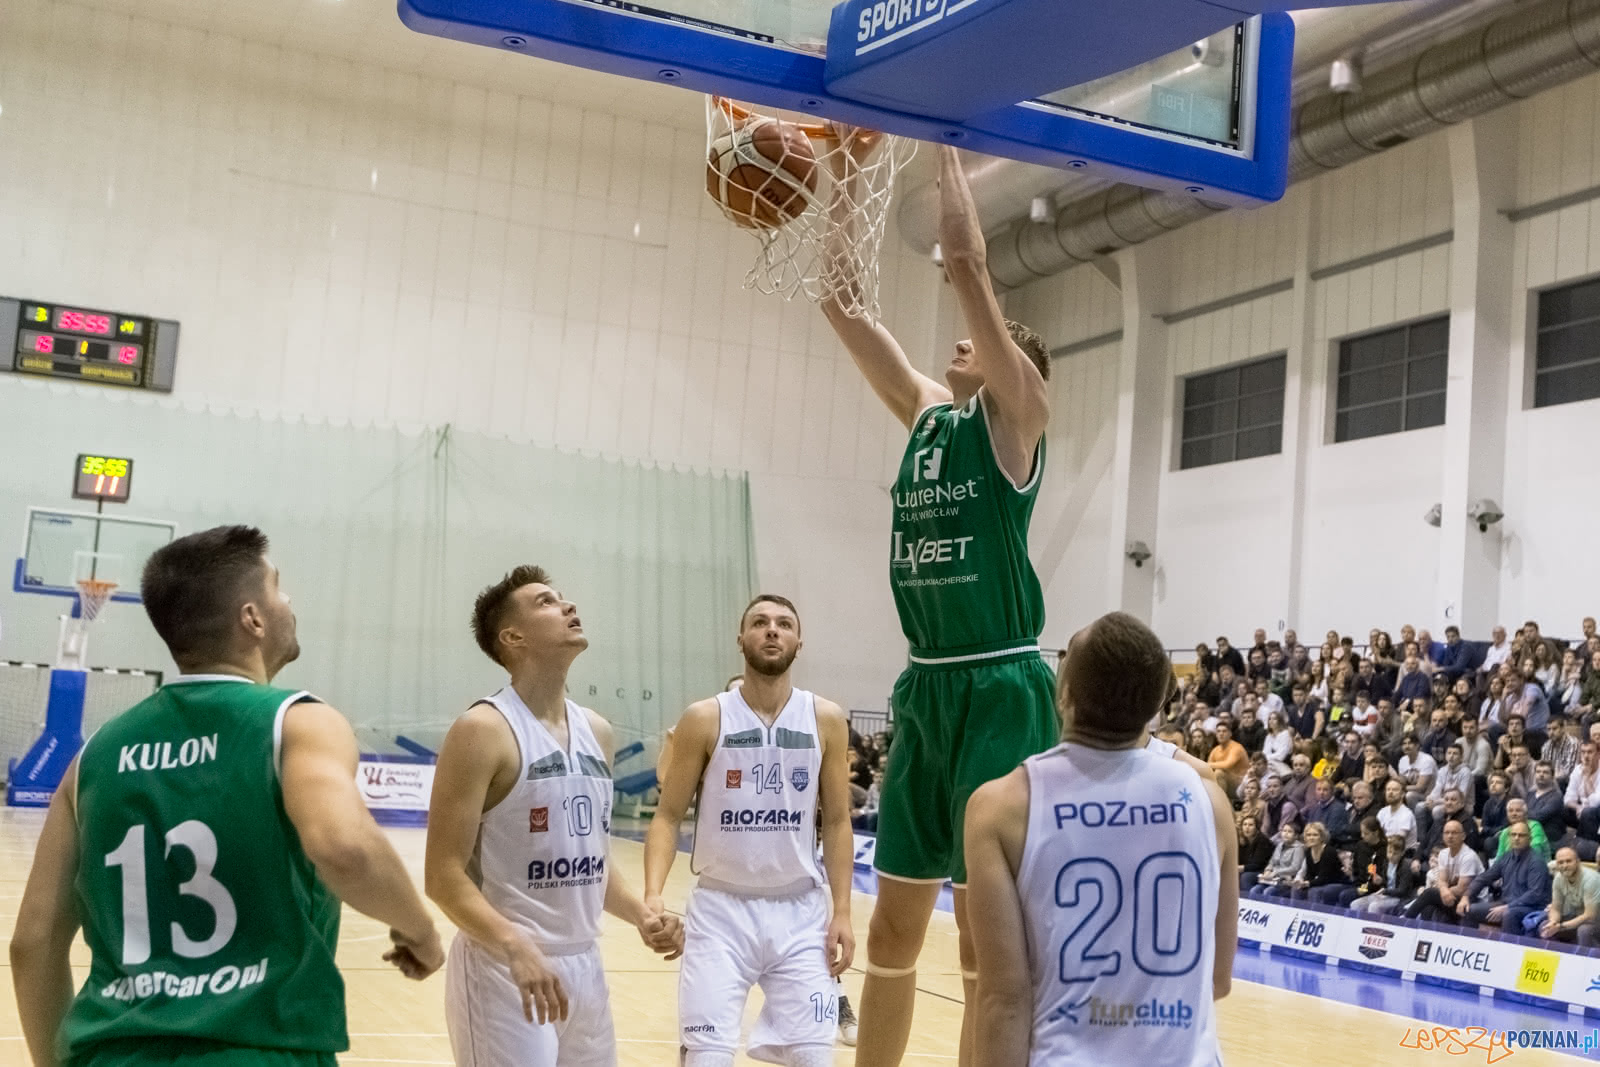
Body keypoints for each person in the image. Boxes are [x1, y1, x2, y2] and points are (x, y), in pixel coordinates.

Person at [11, 525, 445, 1067]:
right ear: (253, 618)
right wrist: (421, 931)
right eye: (279, 589)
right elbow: (344, 848)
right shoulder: (299, 723)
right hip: (258, 1049)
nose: (290, 604)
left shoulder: (93, 756)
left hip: (113, 1053)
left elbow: (33, 942)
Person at [821, 137, 1057, 1067]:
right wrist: (843, 174)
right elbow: (841, 303)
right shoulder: (928, 417)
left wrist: (943, 137)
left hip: (1000, 686)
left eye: (985, 341)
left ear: (1014, 371)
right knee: (890, 941)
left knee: (979, 947)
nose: (960, 341)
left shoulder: (1018, 420)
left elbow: (963, 262)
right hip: (926, 687)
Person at [426, 565, 682, 1067]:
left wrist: (644, 916)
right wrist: (514, 946)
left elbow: (592, 862)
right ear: (513, 637)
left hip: (585, 966)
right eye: (546, 601)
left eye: (562, 598)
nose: (567, 606)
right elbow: (442, 877)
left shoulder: (598, 732)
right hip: (504, 968)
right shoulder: (482, 730)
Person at [964, 612, 1235, 1067]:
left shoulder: (1001, 806)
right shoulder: (1208, 800)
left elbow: (1004, 1003)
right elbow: (1219, 979)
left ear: (1064, 695)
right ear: (1155, 708)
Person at [645, 595, 855, 1067]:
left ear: (799, 642)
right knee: (707, 1058)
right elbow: (667, 815)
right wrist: (653, 894)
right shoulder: (704, 717)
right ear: (741, 639)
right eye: (759, 622)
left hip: (801, 913)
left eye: (784, 623)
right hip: (720, 913)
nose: (772, 630)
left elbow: (838, 821)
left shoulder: (826, 719)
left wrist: (842, 910)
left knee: (815, 1059)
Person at [1459, 822, 1550, 932]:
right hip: (1507, 904)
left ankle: (1509, 949)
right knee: (1469, 909)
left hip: (1531, 907)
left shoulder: (1536, 862)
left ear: (1530, 838)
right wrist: (1466, 896)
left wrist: (1508, 907)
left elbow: (1534, 894)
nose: (1516, 838)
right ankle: (1471, 946)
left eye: (1521, 835)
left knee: (1509, 914)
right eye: (1513, 834)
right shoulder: (1506, 856)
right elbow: (1485, 877)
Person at [1405, 820, 1484, 923]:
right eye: (1446, 833)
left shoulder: (1469, 856)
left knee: (1430, 893)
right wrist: (1443, 890)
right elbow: (1442, 880)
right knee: (1429, 905)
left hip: (1472, 901)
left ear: (1463, 836)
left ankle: (1405, 920)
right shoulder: (1443, 853)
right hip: (1453, 897)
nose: (1450, 836)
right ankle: (1424, 932)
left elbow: (1462, 889)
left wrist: (1444, 891)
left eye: (1454, 833)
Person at [1535, 847, 1600, 945]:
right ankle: (1558, 958)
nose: (1565, 866)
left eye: (1568, 861)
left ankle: (1585, 959)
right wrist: (1553, 923)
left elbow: (1589, 916)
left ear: (1578, 862)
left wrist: (1560, 926)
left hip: (1595, 922)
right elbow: (1556, 908)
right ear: (1556, 864)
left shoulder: (1591, 879)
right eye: (1560, 862)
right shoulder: (1558, 878)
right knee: (1544, 927)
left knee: (1584, 931)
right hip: (1575, 918)